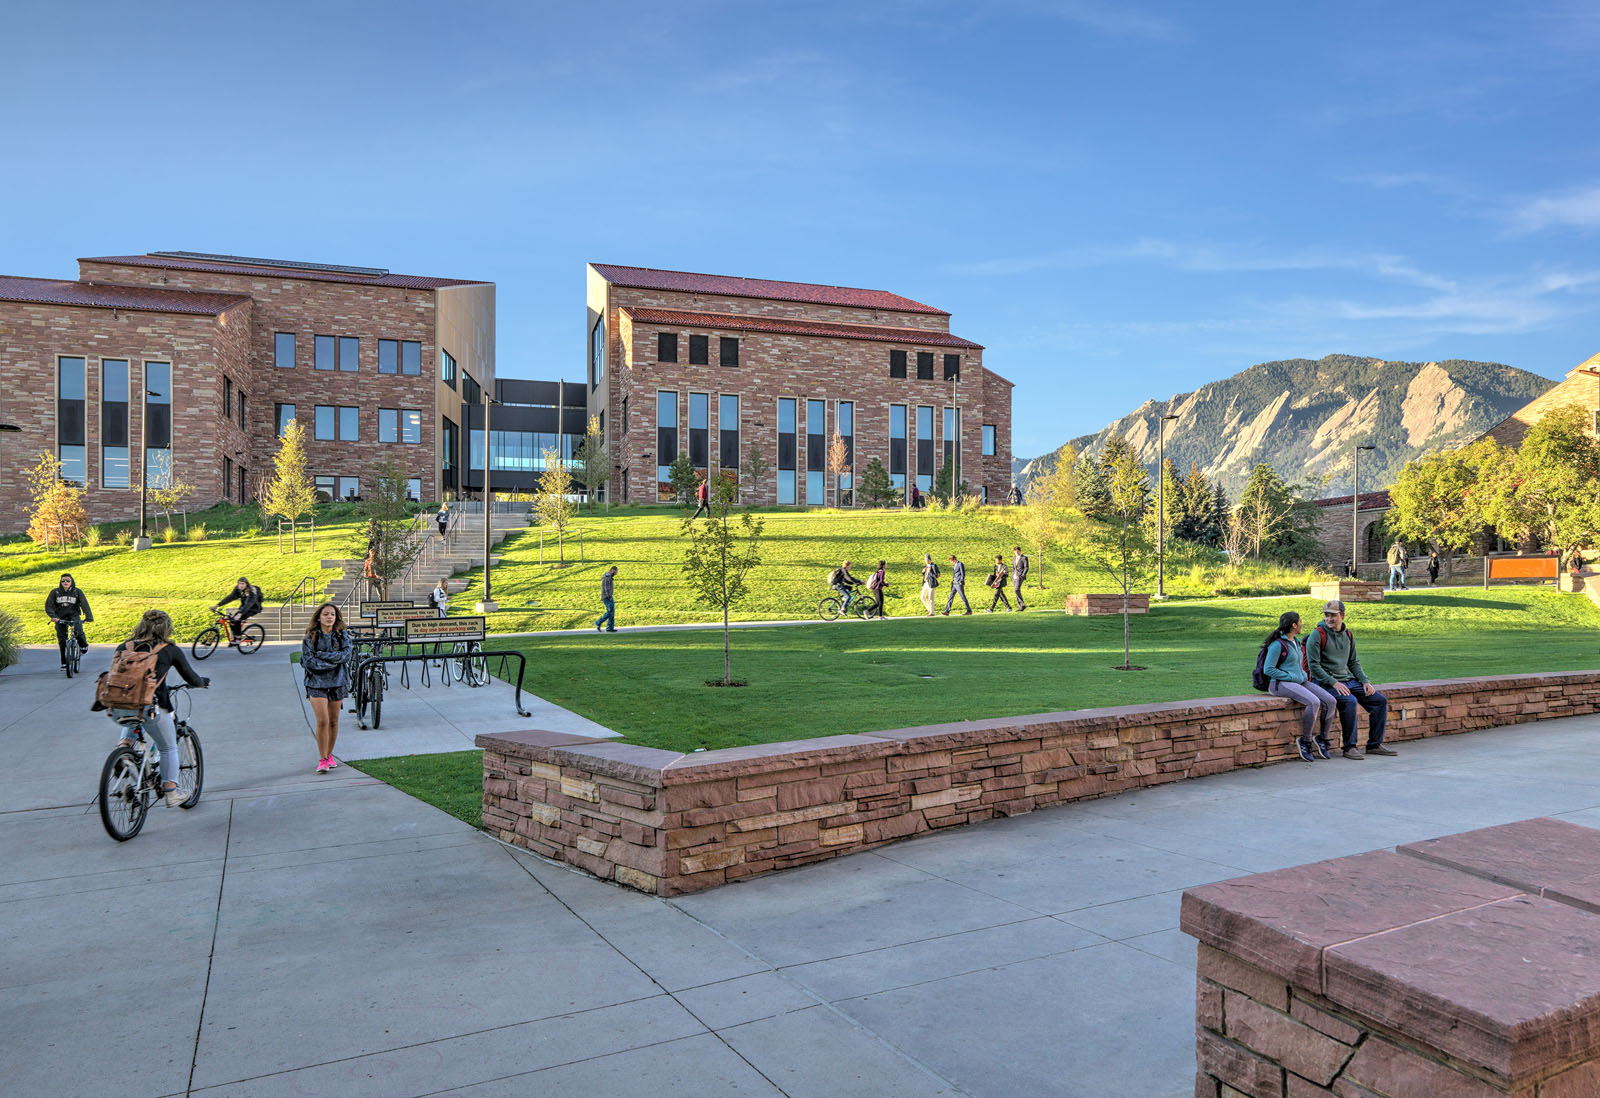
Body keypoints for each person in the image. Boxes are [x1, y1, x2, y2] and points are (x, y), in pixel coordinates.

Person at [93, 609, 209, 806]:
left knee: (133, 710)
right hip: (150, 708)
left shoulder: (124, 646)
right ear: (167, 628)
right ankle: (172, 792)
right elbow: (191, 678)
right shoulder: (169, 650)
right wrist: (203, 682)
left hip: (115, 705)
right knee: (168, 746)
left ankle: (123, 750)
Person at [1306, 599, 1395, 760]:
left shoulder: (1348, 634)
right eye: (1327, 615)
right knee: (1349, 701)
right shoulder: (1317, 635)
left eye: (1333, 615)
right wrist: (1333, 682)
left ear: (1343, 615)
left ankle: (1374, 745)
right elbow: (1314, 667)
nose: (1329, 619)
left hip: (1347, 679)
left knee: (1379, 701)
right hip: (1325, 682)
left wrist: (1365, 681)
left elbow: (1353, 662)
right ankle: (1349, 747)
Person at [1260, 611, 1335, 762]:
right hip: (1279, 684)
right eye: (1300, 622)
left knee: (1331, 701)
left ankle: (1322, 738)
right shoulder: (1277, 645)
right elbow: (1268, 669)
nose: (1302, 624)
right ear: (1294, 625)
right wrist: (1290, 677)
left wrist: (1301, 676)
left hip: (1300, 681)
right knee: (1314, 702)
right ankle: (1305, 741)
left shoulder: (1296, 642)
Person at [301, 603, 353, 772]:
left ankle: (329, 755)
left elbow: (345, 656)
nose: (329, 617)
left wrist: (322, 656)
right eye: (325, 614)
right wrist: (332, 663)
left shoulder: (342, 636)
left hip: (337, 682)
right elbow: (308, 661)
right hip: (316, 683)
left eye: (332, 614)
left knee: (333, 721)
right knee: (322, 721)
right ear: (318, 617)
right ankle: (322, 759)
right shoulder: (310, 637)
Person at [45, 572, 93, 668]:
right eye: (63, 581)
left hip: (74, 616)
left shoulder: (77, 592)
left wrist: (89, 617)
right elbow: (48, 606)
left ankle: (84, 646)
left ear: (72, 581)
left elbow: (84, 604)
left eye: (68, 581)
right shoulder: (55, 592)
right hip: (60, 617)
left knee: (78, 630)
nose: (65, 582)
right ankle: (64, 662)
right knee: (62, 639)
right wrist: (53, 616)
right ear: (60, 582)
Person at [214, 576, 263, 646]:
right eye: (239, 583)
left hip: (253, 608)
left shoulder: (252, 590)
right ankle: (236, 637)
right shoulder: (238, 589)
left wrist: (240, 613)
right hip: (243, 608)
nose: (241, 585)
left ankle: (238, 638)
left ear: (246, 584)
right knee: (232, 620)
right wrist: (217, 605)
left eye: (243, 584)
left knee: (238, 619)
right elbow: (230, 597)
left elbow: (250, 603)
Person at [595, 565, 618, 632]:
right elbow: (606, 588)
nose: (615, 574)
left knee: (612, 612)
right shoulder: (607, 577)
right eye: (615, 573)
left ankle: (609, 628)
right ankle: (598, 622)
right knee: (610, 612)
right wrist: (609, 596)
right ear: (612, 570)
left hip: (609, 596)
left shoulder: (609, 577)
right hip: (607, 597)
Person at [1011, 546, 1029, 611]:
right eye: (1015, 552)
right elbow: (1013, 567)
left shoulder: (1024, 558)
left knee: (1016, 590)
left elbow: (1026, 567)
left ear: (1020, 551)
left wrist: (1023, 575)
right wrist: (1013, 575)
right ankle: (1020, 606)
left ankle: (1022, 604)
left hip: (1020, 576)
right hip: (1014, 577)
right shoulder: (1014, 558)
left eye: (1018, 552)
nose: (1017, 553)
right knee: (1016, 591)